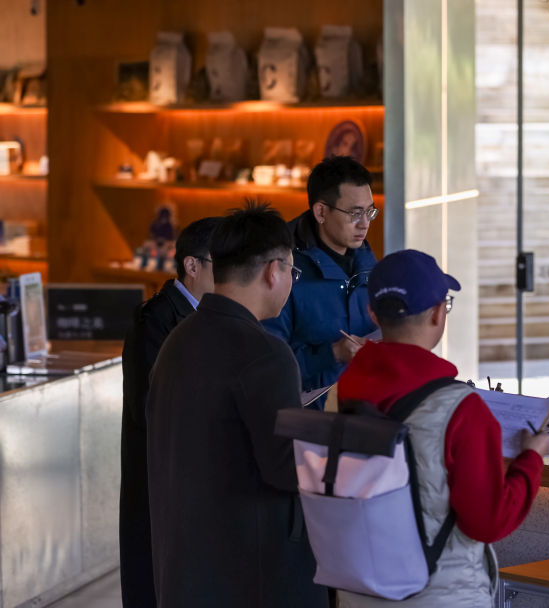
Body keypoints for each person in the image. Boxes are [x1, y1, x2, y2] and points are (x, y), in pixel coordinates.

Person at [336, 249, 549, 607]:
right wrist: (530, 460)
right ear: (438, 313)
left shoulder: (344, 391)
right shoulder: (460, 408)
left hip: (361, 588)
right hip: (439, 593)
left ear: (373, 313)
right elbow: (488, 521)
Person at [145, 202, 327, 608]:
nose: (291, 282)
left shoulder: (177, 339)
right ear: (273, 271)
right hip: (253, 575)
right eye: (293, 272)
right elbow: (287, 469)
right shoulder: (266, 354)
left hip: (185, 568)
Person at [119, 215, 219, 608]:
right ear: (192, 265)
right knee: (156, 575)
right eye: (222, 264)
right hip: (160, 470)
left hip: (190, 471)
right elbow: (150, 405)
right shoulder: (156, 320)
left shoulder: (208, 316)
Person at [263, 156, 378, 408]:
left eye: (370, 211)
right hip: (308, 421)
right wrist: (333, 353)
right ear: (321, 212)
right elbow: (267, 367)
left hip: (366, 413)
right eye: (355, 213)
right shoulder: (283, 270)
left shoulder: (369, 264)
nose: (365, 223)